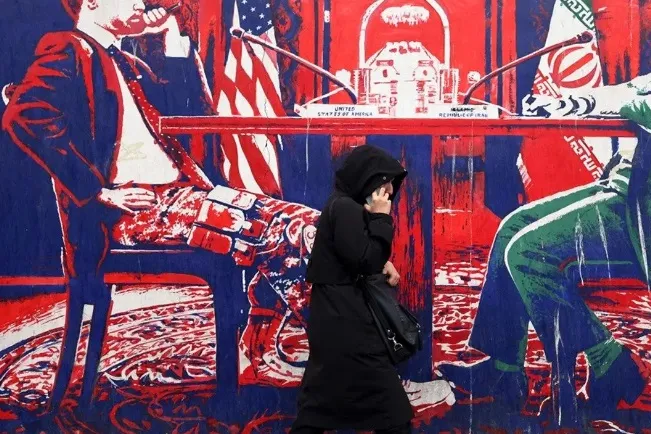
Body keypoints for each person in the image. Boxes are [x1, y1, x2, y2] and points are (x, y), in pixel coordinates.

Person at [446, 0, 651, 428]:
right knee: (512, 228)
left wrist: (622, 105)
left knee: (527, 252)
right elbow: (637, 89)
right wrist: (577, 102)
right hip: (636, 194)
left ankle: (610, 362)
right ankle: (504, 371)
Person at [1, 0, 318, 414]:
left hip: (181, 198)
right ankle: (334, 355)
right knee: (293, 230)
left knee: (307, 225)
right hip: (133, 213)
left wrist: (170, 36)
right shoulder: (67, 47)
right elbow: (24, 115)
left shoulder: (126, 62)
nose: (141, 3)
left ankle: (271, 345)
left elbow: (191, 110)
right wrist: (98, 192)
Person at [292, 145, 414, 434]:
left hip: (337, 320)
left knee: (319, 410)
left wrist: (381, 261)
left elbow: (353, 254)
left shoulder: (343, 205)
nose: (389, 190)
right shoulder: (346, 208)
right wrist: (381, 219)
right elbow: (364, 260)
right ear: (367, 179)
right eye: (385, 182)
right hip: (349, 327)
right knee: (393, 413)